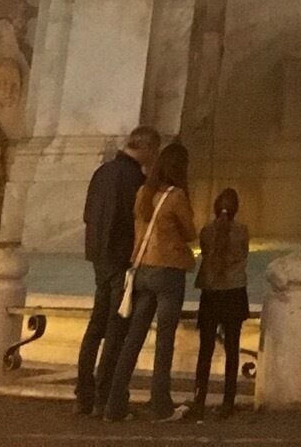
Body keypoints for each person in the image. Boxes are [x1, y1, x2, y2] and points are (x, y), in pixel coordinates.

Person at [101, 139, 196, 421]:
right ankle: (160, 405)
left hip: (142, 269)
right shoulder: (176, 196)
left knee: (133, 338)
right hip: (167, 271)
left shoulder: (144, 191)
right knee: (164, 341)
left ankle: (114, 404)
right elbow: (190, 232)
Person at [77, 126, 159, 418]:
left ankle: (83, 396)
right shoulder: (136, 179)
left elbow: (88, 214)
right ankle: (105, 396)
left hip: (99, 257)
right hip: (122, 261)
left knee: (95, 327)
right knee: (115, 329)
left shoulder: (102, 172)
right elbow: (135, 221)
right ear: (148, 148)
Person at [187, 188, 250, 420]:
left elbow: (204, 253)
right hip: (234, 292)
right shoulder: (242, 231)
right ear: (236, 210)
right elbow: (243, 255)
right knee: (232, 349)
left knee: (206, 349)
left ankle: (199, 399)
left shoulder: (206, 231)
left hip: (211, 293)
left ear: (215, 208)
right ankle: (227, 402)